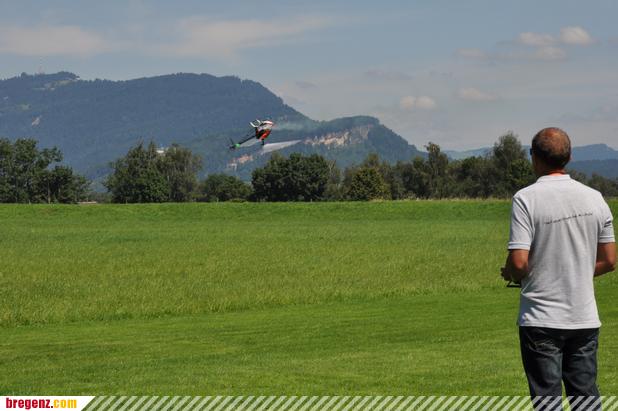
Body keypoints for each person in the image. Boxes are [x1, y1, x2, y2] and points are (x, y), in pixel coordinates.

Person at [501, 127, 616, 410]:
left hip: (541, 318)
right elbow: (610, 260)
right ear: (569, 157)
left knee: (547, 401)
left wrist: (510, 272)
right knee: (586, 399)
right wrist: (574, 271)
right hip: (584, 318)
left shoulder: (526, 198)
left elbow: (519, 262)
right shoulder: (595, 198)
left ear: (534, 157)